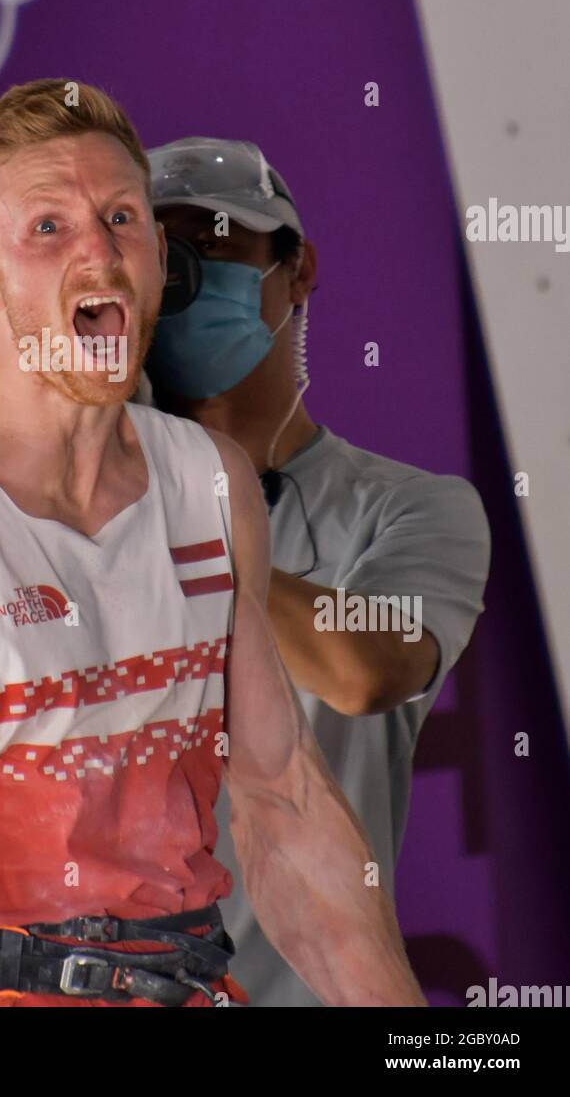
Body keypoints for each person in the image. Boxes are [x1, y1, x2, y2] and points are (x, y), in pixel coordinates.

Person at [0, 81, 428, 1008]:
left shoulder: (210, 485)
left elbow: (285, 807)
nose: (99, 251)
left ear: (162, 258)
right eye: (47, 227)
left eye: (121, 217)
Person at [142, 136, 491, 1006]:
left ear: (297, 272)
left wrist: (165, 509)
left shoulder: (411, 509)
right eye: (163, 260)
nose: (186, 283)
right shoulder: (76, 509)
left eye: (215, 248)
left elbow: (366, 671)